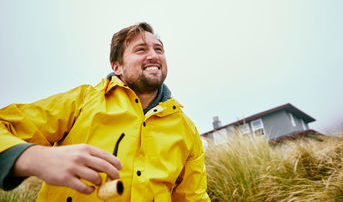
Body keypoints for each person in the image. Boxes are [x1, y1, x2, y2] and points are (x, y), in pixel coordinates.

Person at [0, 22, 210, 201]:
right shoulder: (82, 101)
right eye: (141, 49)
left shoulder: (186, 129)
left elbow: (194, 197)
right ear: (117, 66)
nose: (154, 55)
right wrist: (34, 157)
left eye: (159, 49)